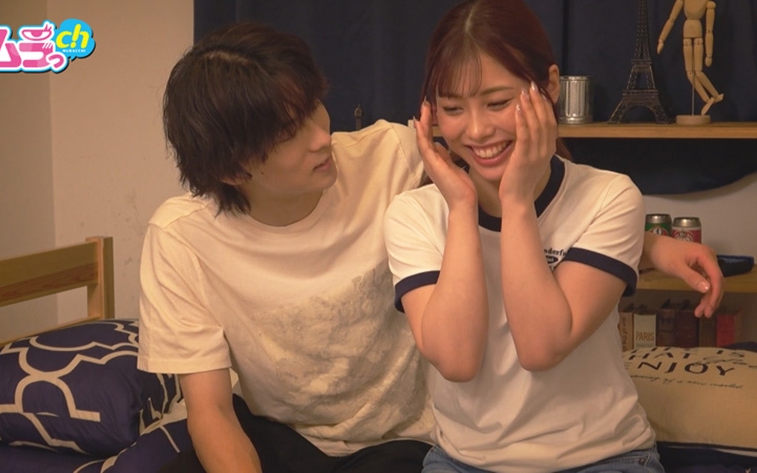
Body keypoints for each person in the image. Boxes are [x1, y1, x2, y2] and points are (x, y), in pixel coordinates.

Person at [137, 19, 723, 473]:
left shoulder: (390, 155)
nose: (323, 137)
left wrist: (648, 244)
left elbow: (525, 191)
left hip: (401, 439)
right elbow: (210, 410)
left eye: (314, 108)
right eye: (290, 134)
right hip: (282, 435)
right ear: (233, 170)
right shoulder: (182, 238)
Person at [383, 0, 692, 471]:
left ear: (549, 86)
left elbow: (541, 346)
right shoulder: (413, 216)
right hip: (464, 461)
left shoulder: (611, 198)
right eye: (453, 108)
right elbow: (457, 361)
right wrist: (462, 206)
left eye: (497, 102)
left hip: (600, 458)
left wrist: (516, 201)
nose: (477, 130)